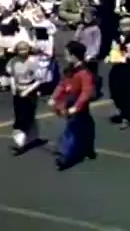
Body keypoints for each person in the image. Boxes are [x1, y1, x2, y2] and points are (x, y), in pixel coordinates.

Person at [49, 41, 96, 171]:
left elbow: (87, 91)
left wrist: (77, 106)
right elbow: (63, 85)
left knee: (72, 129)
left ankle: (65, 156)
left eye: (67, 54)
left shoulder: (84, 72)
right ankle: (87, 149)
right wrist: (54, 97)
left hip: (77, 103)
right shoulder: (70, 70)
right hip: (70, 102)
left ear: (74, 55)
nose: (65, 56)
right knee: (83, 126)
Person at [107, 17, 130, 129]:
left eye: (128, 26)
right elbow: (113, 50)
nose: (125, 29)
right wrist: (110, 56)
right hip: (117, 68)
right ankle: (121, 110)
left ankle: (127, 116)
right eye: (123, 26)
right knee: (116, 91)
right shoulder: (116, 39)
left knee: (129, 92)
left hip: (128, 68)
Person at [7, 40, 42, 151]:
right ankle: (32, 137)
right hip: (18, 90)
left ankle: (21, 139)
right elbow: (12, 75)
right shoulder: (13, 61)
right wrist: (13, 86)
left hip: (30, 90)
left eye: (25, 49)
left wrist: (28, 91)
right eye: (20, 49)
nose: (22, 52)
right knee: (19, 113)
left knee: (28, 114)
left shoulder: (33, 61)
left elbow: (39, 80)